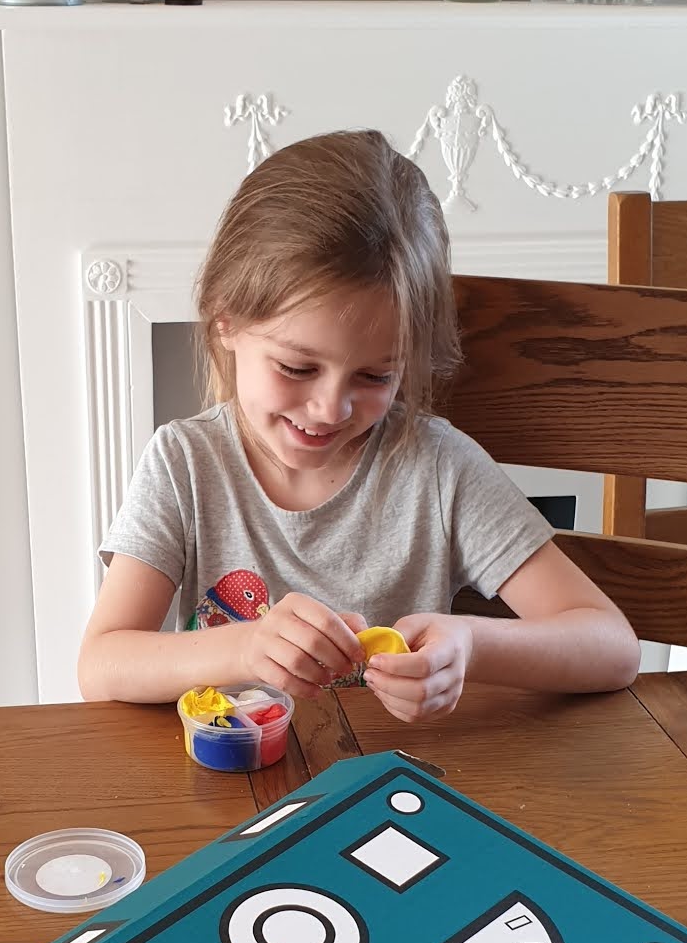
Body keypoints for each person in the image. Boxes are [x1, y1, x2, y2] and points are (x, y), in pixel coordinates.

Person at [79, 130, 639, 721]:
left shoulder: (438, 467)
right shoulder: (185, 463)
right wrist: (246, 645)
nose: (330, 409)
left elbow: (610, 646)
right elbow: (102, 664)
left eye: (375, 376)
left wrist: (472, 645)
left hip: (398, 780)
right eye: (297, 366)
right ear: (226, 320)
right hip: (233, 780)